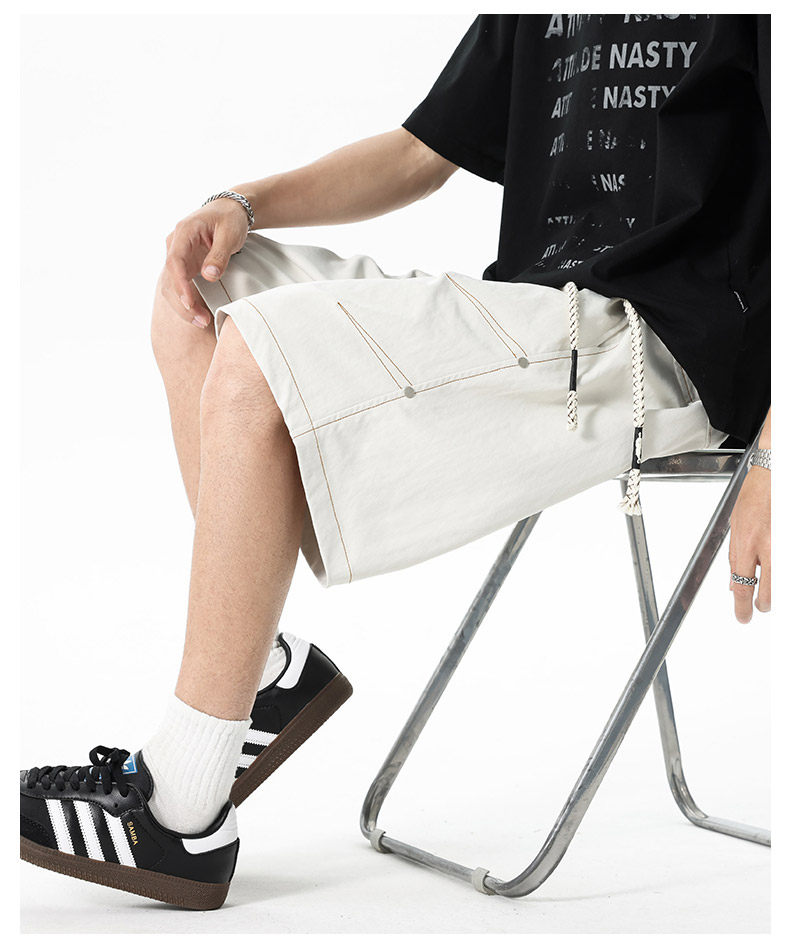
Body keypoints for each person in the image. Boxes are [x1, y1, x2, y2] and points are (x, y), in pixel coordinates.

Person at [21, 13, 770, 910]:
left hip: (659, 346)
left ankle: (181, 809)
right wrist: (243, 204)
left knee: (260, 355)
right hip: (541, 310)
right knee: (199, 293)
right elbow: (421, 151)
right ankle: (257, 675)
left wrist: (773, 451)